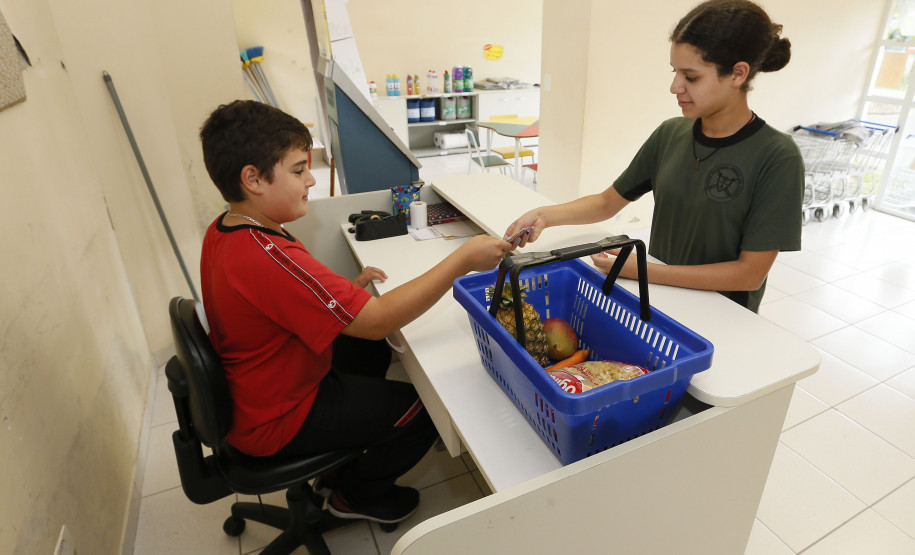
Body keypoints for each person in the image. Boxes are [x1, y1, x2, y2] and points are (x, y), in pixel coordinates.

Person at [198, 100, 511, 524]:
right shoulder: (266, 254)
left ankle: (346, 459)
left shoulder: (228, 229)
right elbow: (377, 320)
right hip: (278, 416)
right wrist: (461, 260)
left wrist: (341, 294)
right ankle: (355, 496)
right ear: (252, 179)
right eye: (297, 171)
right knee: (424, 407)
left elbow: (286, 297)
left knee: (375, 352)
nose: (310, 179)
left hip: (261, 387)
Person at [504, 0, 804, 313]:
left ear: (738, 74)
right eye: (675, 72)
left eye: (691, 77)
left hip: (722, 319)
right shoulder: (671, 134)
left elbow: (750, 275)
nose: (675, 87)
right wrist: (545, 216)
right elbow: (608, 202)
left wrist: (642, 270)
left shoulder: (777, 156)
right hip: (658, 301)